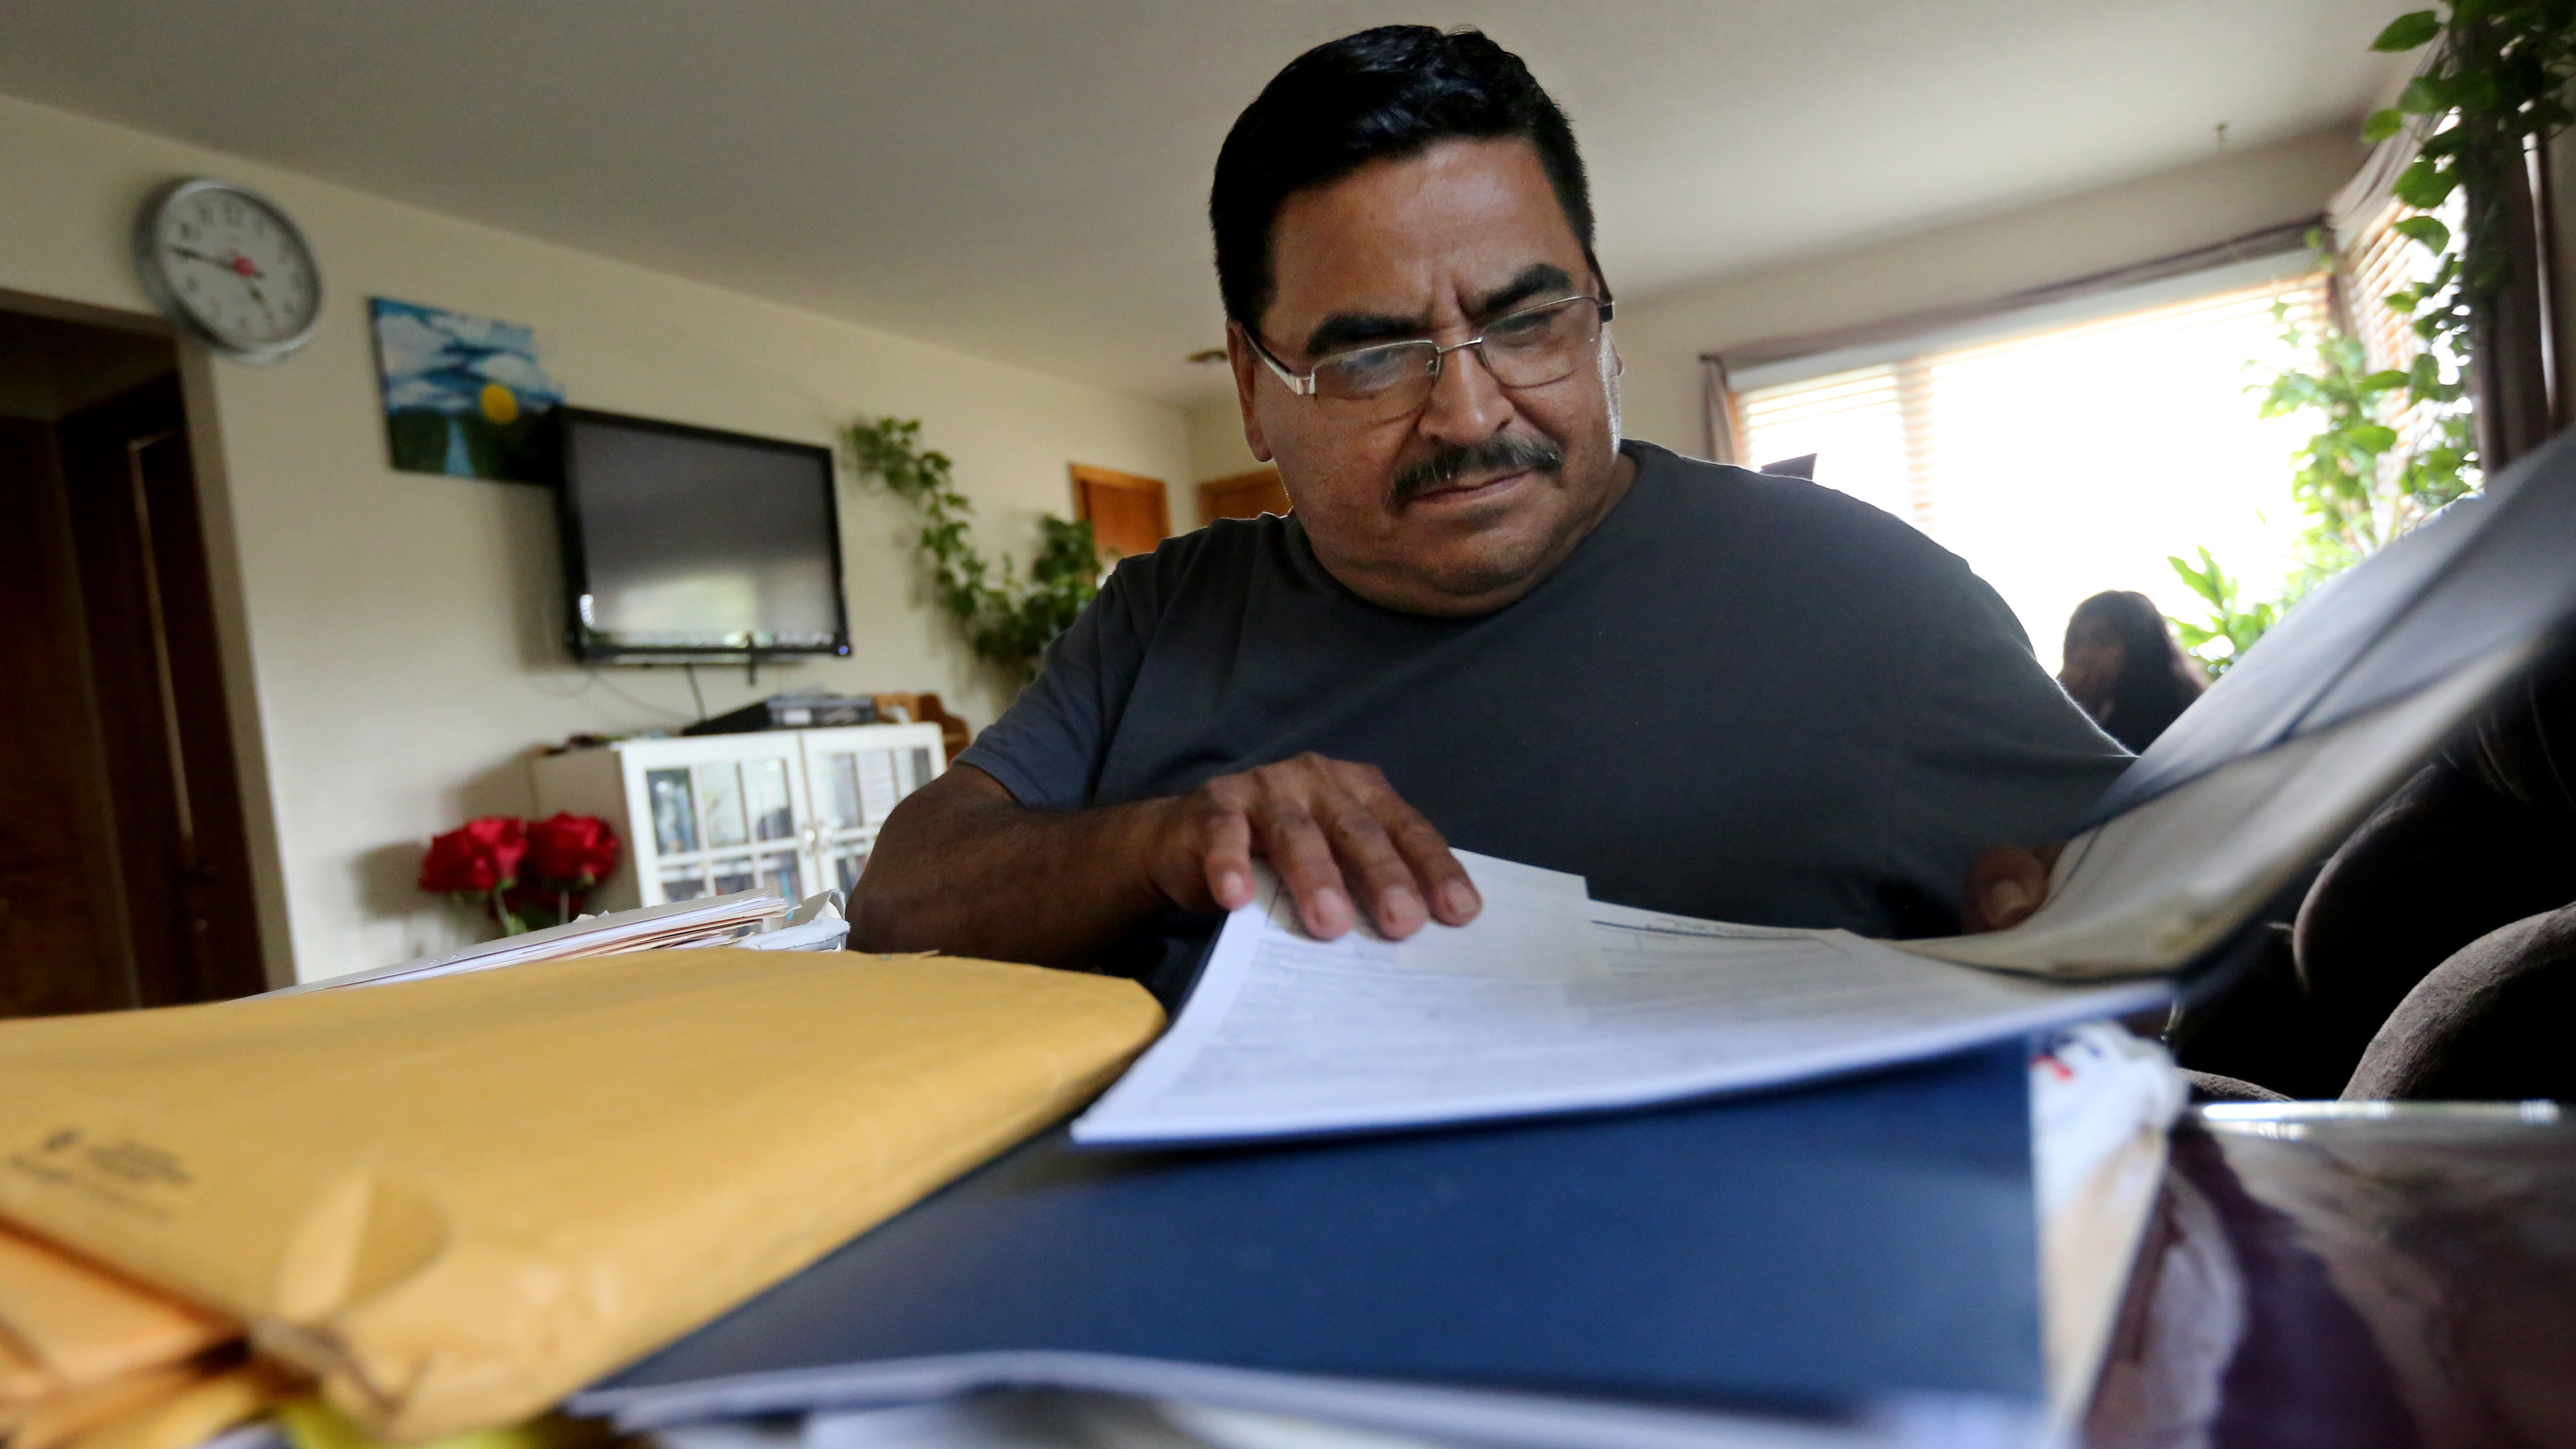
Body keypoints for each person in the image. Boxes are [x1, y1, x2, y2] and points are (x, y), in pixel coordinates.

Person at [853, 25, 2122, 999]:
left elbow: (2191, 899)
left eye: (1526, 323)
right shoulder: (1158, 619)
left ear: (1601, 310)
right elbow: (904, 900)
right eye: (1369, 356)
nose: (1468, 414)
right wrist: (1163, 846)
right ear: (1253, 389)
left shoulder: (1868, 598)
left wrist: (2085, 952)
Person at [2058, 591, 2207, 752]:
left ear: (2141, 650)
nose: (2083, 655)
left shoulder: (2175, 718)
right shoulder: (2097, 708)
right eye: (2076, 642)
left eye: (2102, 641)